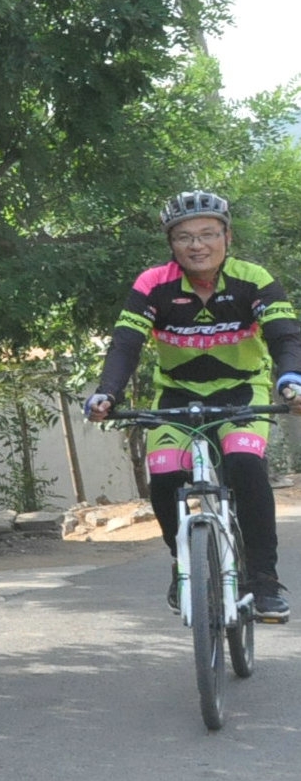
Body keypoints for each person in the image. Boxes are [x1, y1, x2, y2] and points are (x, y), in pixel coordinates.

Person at [85, 190, 301, 622]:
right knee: (164, 473)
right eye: (184, 237)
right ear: (172, 244)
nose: (197, 245)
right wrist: (107, 392)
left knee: (243, 462)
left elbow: (284, 336)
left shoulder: (253, 279)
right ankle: (181, 561)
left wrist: (291, 378)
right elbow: (126, 344)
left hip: (243, 391)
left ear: (227, 237)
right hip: (177, 396)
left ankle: (263, 579)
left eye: (207, 234)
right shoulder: (153, 284)